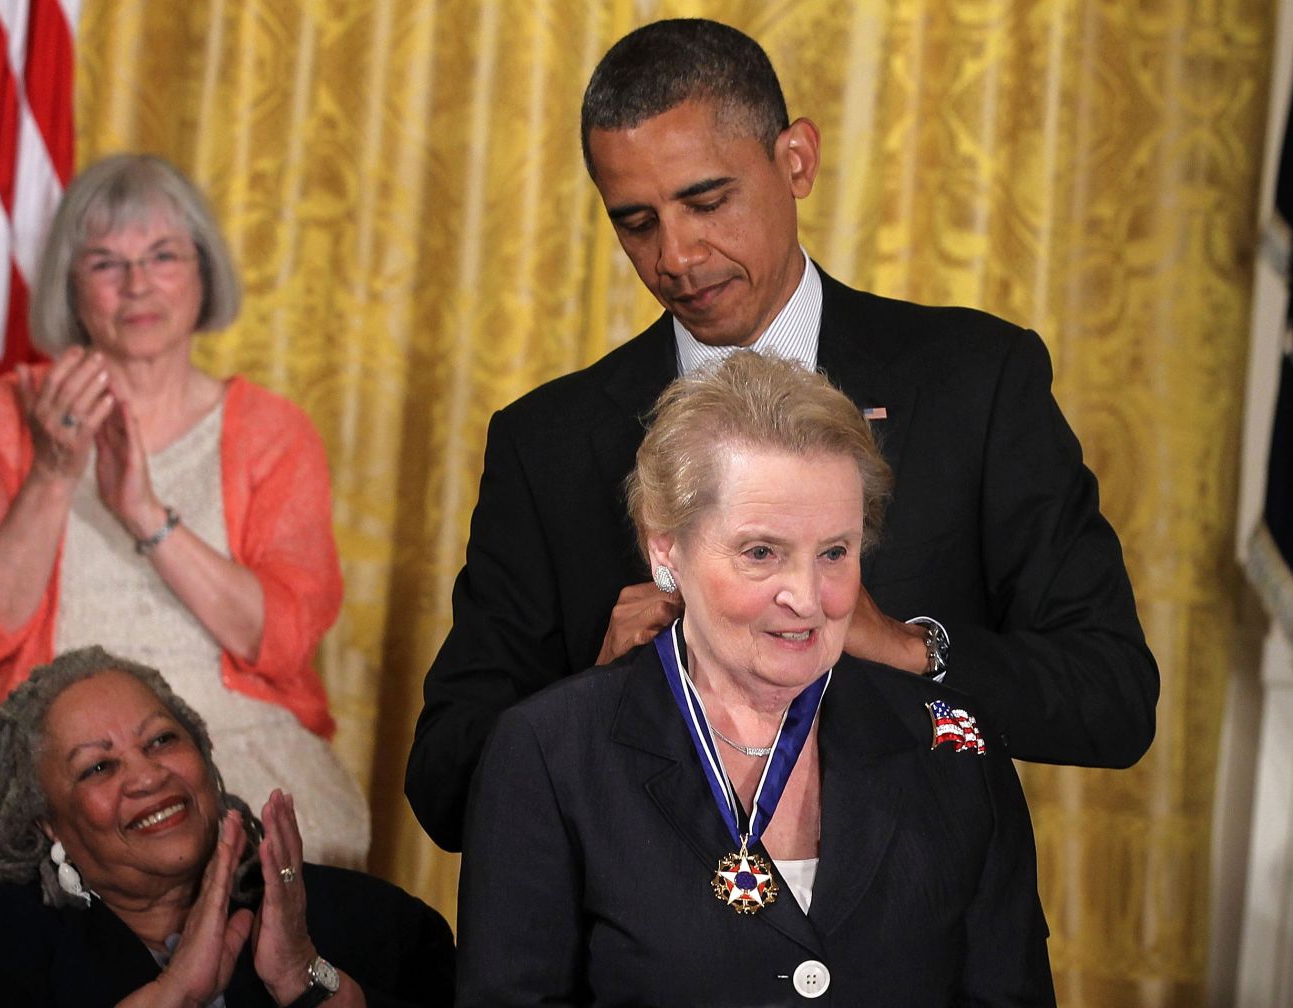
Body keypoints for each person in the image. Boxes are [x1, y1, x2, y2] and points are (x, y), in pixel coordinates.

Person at [407, 17, 1158, 853]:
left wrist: (908, 649)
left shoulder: (974, 381)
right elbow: (444, 786)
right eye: (637, 222)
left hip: (915, 944)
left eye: (707, 201)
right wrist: (592, 690)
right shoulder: (547, 442)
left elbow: (1114, 700)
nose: (678, 256)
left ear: (796, 160)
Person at [456, 352, 1054, 1005]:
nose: (806, 595)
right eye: (761, 552)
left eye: (834, 552)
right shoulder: (549, 751)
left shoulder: (955, 748)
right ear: (667, 550)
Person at [0, 153, 368, 875]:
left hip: (232, 730)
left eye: (162, 256)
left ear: (202, 273)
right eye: (105, 263)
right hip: (35, 740)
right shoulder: (4, 415)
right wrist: (54, 476)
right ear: (71, 287)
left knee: (284, 847)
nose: (137, 285)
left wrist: (145, 513)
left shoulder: (274, 432)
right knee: (51, 851)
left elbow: (278, 641)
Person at [0, 646, 455, 1007]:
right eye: (99, 767)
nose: (147, 776)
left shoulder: (377, 924)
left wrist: (305, 977)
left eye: (161, 741)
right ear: (50, 826)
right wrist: (172, 994)